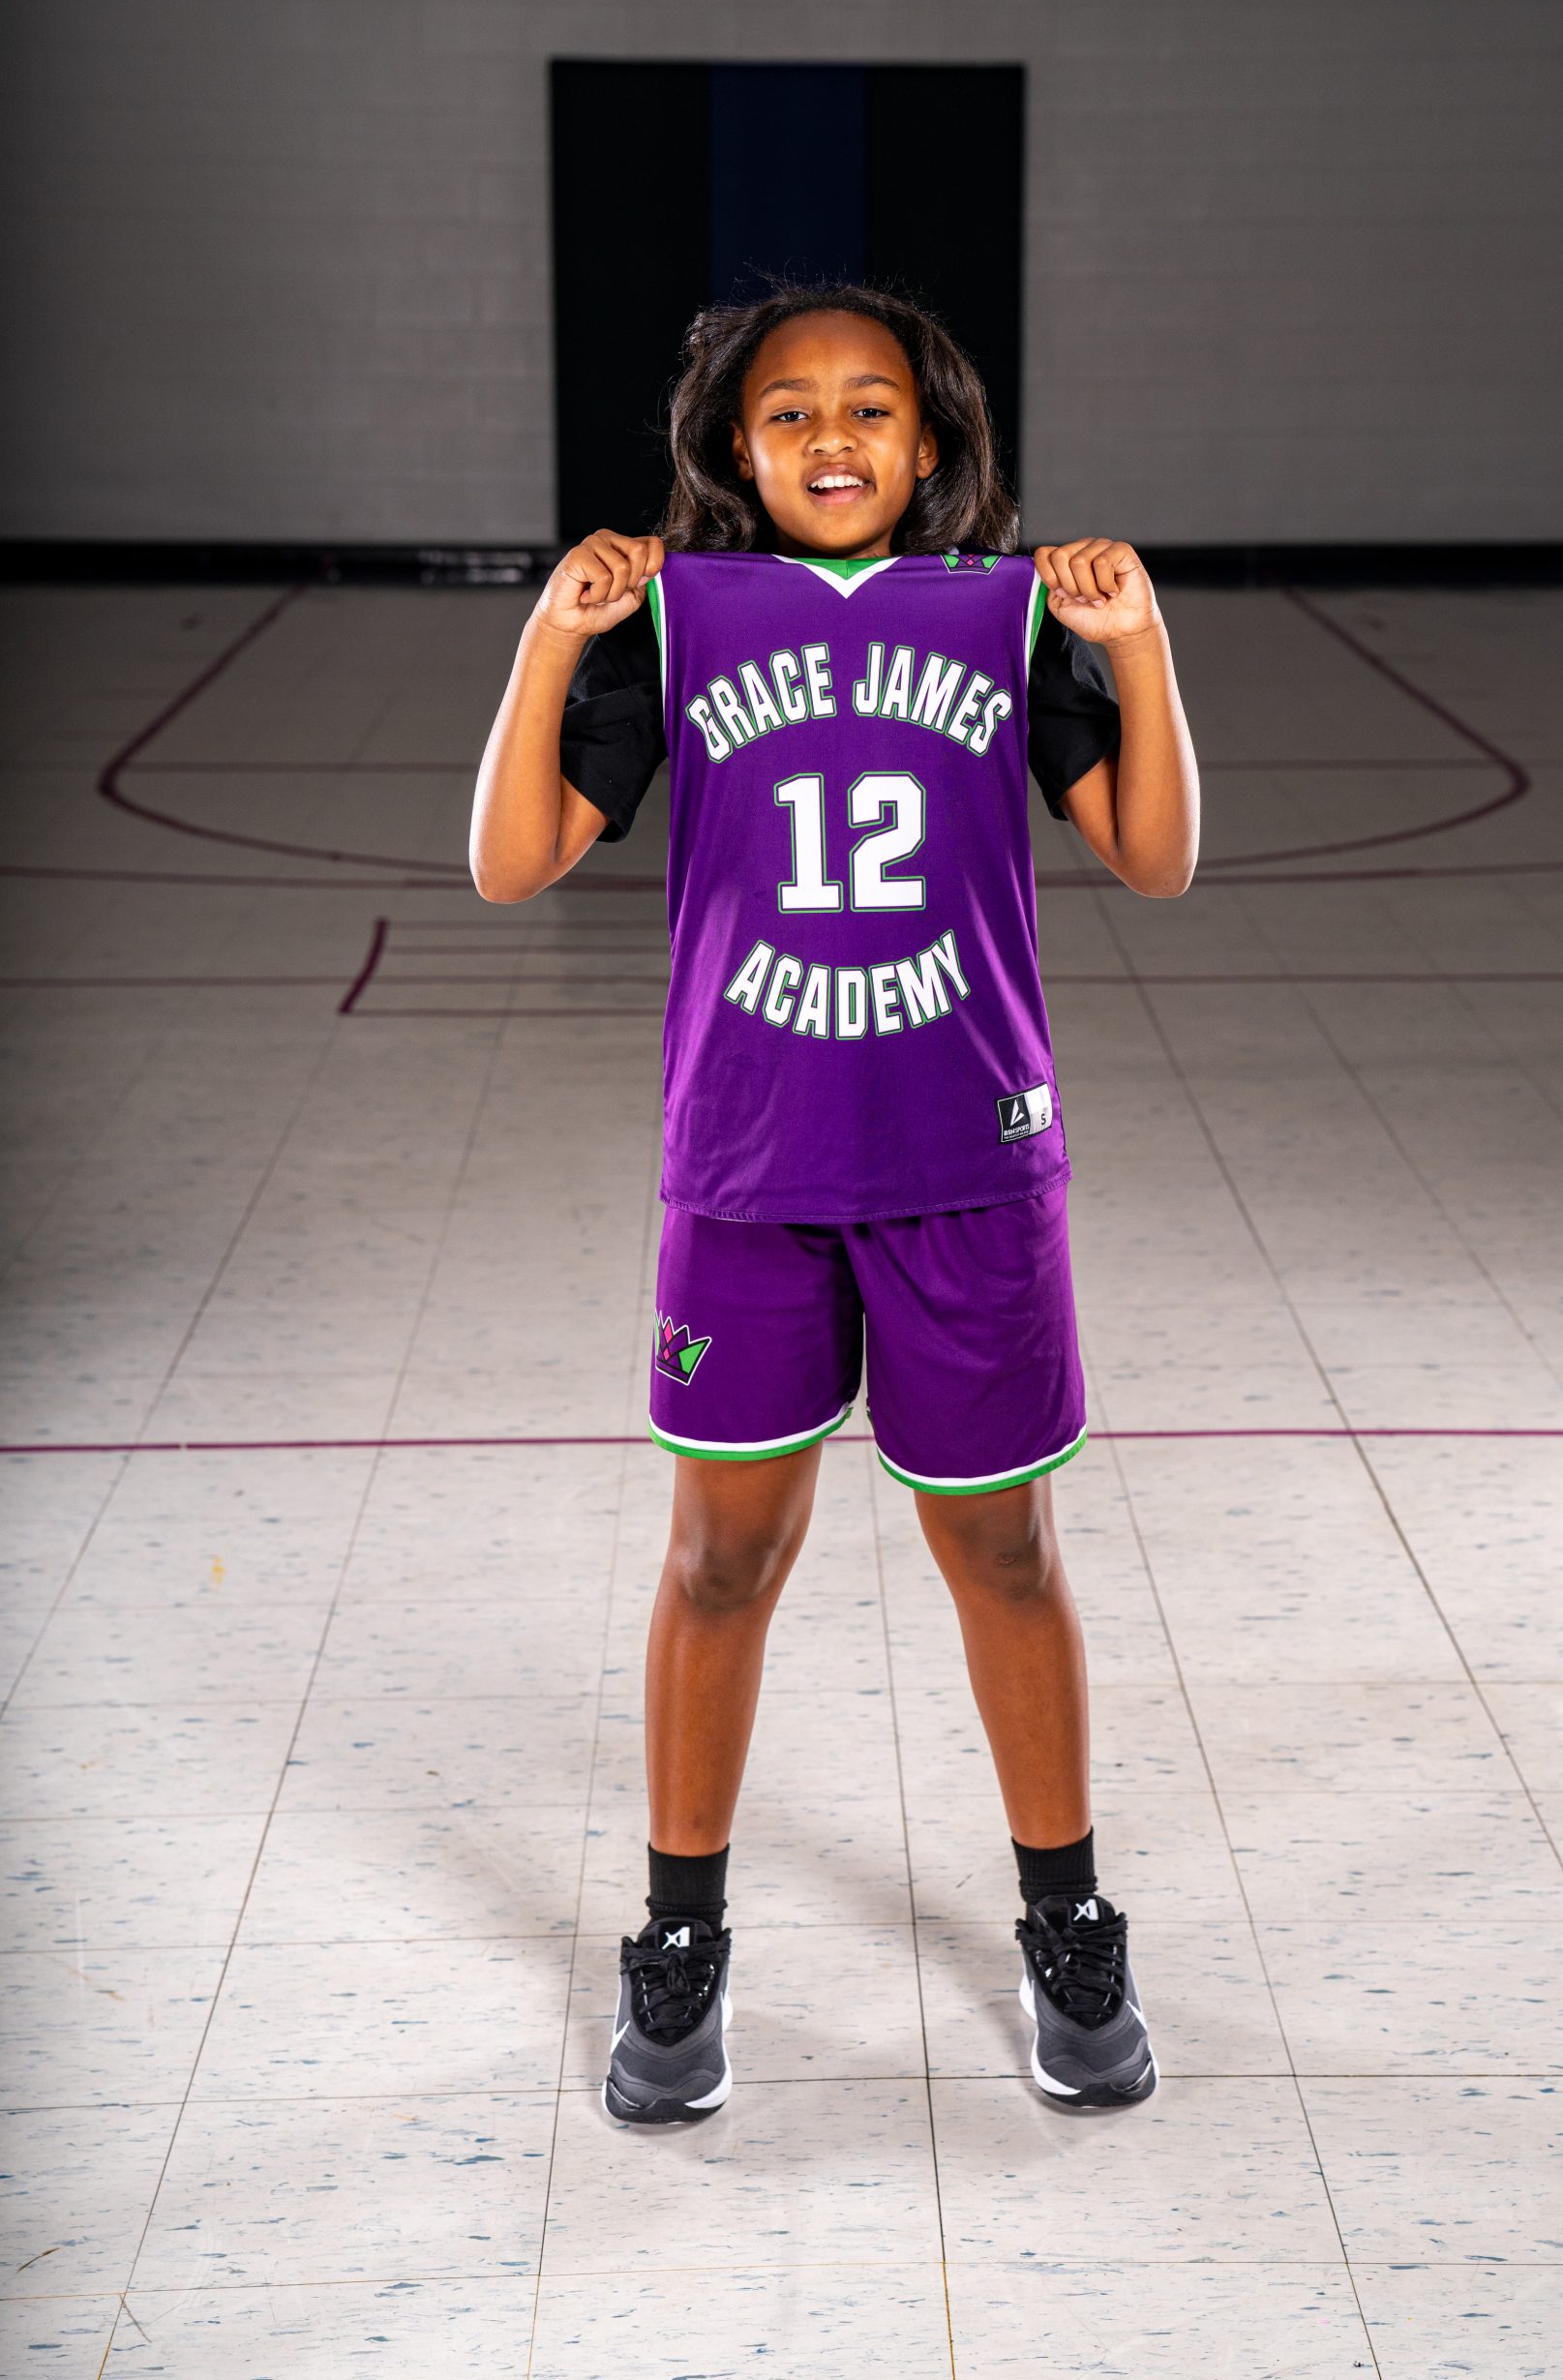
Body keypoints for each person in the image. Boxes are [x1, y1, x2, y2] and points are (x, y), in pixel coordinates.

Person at [469, 281, 1199, 2124]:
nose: (830, 435)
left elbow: (1155, 857)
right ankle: (679, 1941)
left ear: (929, 440)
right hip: (750, 1167)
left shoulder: (1005, 615)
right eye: (787, 408)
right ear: (734, 446)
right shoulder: (678, 621)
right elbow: (509, 864)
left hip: (968, 1161)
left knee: (1005, 1551)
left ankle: (1068, 1921)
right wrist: (550, 639)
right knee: (721, 1560)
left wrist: (1142, 652)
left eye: (870, 405)